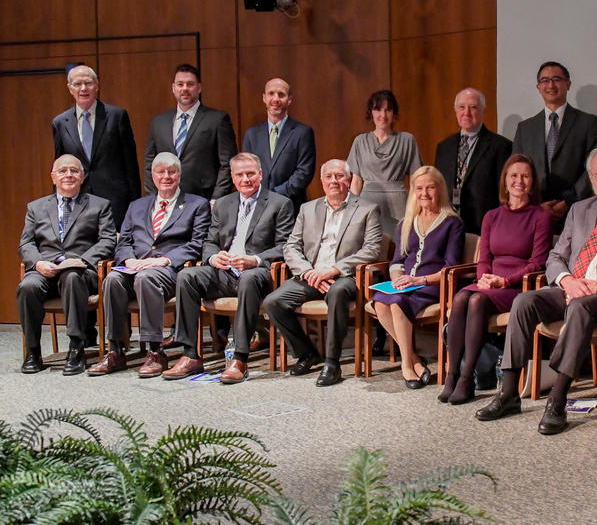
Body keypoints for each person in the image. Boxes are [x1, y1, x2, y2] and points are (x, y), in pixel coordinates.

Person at [475, 146, 597, 435]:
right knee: (524, 301)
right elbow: (555, 257)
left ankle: (557, 400)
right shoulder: (580, 209)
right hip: (570, 286)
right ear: (590, 177)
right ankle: (508, 393)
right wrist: (568, 281)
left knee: (581, 306)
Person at [162, 152, 294, 384]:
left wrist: (254, 259)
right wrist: (213, 258)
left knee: (249, 278)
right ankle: (190, 353)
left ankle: (239, 358)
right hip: (224, 272)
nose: (246, 179)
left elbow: (285, 246)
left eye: (250, 173)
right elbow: (210, 241)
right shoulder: (223, 204)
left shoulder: (279, 204)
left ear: (260, 174)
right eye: (240, 175)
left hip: (259, 274)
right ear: (233, 178)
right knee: (187, 276)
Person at [438, 154, 552, 405]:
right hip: (489, 282)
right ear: (505, 181)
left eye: (525, 176)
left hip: (517, 285)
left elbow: (538, 263)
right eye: (513, 175)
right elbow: (484, 258)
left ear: (532, 183)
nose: (519, 181)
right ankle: (452, 374)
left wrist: (504, 281)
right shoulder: (491, 216)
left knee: (477, 301)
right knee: (460, 299)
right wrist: (483, 279)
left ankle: (467, 379)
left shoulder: (540, 217)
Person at [264, 159, 381, 386]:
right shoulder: (308, 208)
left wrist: (334, 269)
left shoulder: (367, 209)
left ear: (349, 180)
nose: (334, 181)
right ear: (322, 181)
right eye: (329, 176)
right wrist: (308, 272)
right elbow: (291, 246)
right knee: (273, 302)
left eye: (339, 176)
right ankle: (306, 353)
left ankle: (332, 363)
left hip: (344, 277)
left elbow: (372, 250)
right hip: (311, 275)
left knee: (337, 294)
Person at [92, 152, 210, 378]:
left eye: (172, 172)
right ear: (153, 176)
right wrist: (128, 260)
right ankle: (116, 350)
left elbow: (198, 244)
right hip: (135, 266)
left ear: (179, 175)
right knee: (112, 280)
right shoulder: (137, 205)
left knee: (146, 278)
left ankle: (156, 351)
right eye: (161, 172)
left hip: (169, 271)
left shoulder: (197, 204)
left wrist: (163, 260)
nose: (166, 176)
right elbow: (123, 241)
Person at [17, 155, 116, 375]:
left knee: (71, 277)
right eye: (62, 171)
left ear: (82, 177)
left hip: (81, 271)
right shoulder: (36, 207)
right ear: (53, 177)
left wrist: (83, 260)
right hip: (45, 269)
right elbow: (26, 243)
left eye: (74, 171)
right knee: (27, 287)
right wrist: (38, 262)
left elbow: (108, 240)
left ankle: (76, 347)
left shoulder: (99, 205)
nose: (68, 175)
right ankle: (32, 351)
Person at [371, 166, 465, 389]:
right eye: (419, 188)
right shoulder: (405, 223)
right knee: (379, 301)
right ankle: (414, 359)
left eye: (430, 188)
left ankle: (406, 365)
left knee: (395, 303)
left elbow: (451, 269)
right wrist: (397, 278)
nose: (424, 193)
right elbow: (396, 261)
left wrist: (419, 280)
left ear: (439, 189)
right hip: (405, 285)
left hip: (432, 285)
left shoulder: (452, 223)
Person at [512, 61, 597, 227]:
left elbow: (594, 168)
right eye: (545, 80)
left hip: (576, 211)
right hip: (533, 213)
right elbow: (516, 171)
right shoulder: (525, 128)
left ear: (568, 84)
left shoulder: (587, 123)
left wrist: (567, 201)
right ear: (538, 87)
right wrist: (535, 206)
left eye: (556, 79)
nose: (551, 85)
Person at [52, 65, 140, 229]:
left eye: (88, 83)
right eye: (78, 84)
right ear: (70, 88)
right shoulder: (60, 123)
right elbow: (59, 166)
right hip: (78, 201)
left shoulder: (116, 116)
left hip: (114, 201)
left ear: (97, 85)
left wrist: (135, 204)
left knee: (114, 250)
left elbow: (131, 165)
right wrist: (57, 203)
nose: (83, 88)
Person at [143, 63, 238, 201]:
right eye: (180, 84)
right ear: (173, 88)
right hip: (167, 201)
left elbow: (228, 164)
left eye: (190, 84)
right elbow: (149, 164)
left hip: (204, 199)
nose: (185, 89)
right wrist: (154, 198)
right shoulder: (159, 122)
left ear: (199, 88)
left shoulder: (217, 119)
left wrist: (217, 199)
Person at [435, 88, 513, 234]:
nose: (467, 113)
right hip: (448, 225)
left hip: (484, 226)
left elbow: (504, 192)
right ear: (455, 111)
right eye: (461, 107)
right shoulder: (443, 147)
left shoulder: (501, 146)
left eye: (473, 107)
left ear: (483, 110)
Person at [347, 89, 424, 235]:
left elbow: (416, 179)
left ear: (394, 114)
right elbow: (356, 182)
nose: (383, 115)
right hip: (367, 204)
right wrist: (351, 212)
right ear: (371, 112)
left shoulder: (407, 140)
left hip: (399, 205)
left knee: (400, 248)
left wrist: (415, 209)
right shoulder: (360, 141)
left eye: (388, 110)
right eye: (378, 109)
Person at [241, 77, 316, 209]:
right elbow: (246, 169)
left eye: (281, 94)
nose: (276, 99)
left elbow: (304, 172)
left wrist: (275, 195)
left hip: (290, 205)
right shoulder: (252, 134)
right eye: (271, 94)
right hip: (257, 207)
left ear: (289, 99)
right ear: (264, 98)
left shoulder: (303, 132)